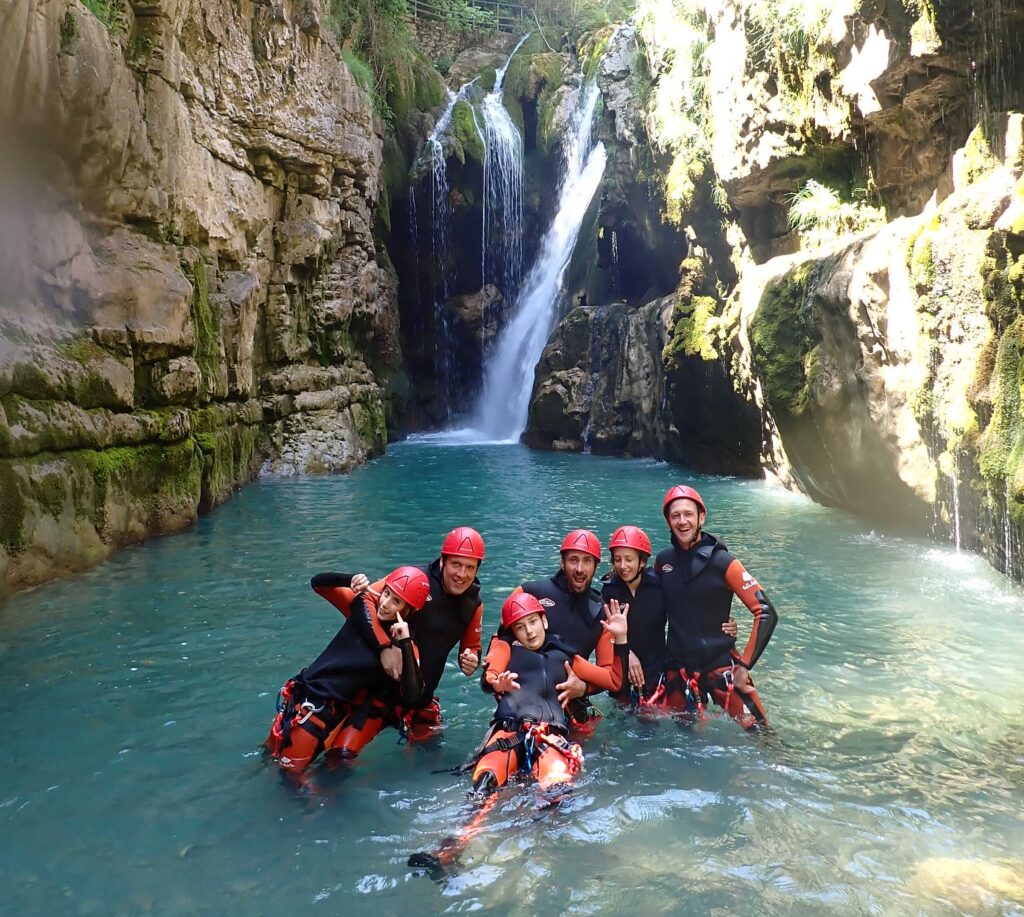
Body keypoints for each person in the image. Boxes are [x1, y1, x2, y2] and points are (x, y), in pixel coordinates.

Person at [265, 566, 432, 772]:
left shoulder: (405, 647)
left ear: (410, 612)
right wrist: (350, 579)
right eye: (386, 594)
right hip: (299, 697)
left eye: (396, 602)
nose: (385, 604)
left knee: (290, 780)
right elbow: (318, 582)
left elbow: (413, 693)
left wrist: (405, 642)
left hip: (317, 714)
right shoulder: (360, 609)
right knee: (266, 760)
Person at [328, 526, 486, 742]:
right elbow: (364, 600)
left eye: (470, 567)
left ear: (477, 569)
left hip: (421, 702)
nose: (461, 574)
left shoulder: (474, 604)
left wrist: (470, 660)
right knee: (340, 757)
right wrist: (383, 647)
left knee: (430, 764)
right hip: (380, 697)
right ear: (442, 561)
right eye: (455, 564)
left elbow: (471, 648)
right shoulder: (414, 578)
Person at [471, 592, 629, 791]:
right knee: (484, 784)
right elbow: (490, 675)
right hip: (507, 733)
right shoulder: (507, 647)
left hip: (548, 738)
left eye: (533, 622)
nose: (529, 631)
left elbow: (615, 682)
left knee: (559, 790)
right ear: (513, 632)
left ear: (544, 621)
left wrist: (621, 639)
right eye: (520, 627)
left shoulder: (564, 656)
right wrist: (497, 684)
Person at [655, 485, 778, 727]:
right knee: (686, 746)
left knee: (763, 739)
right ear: (668, 522)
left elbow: (765, 611)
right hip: (680, 671)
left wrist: (744, 666)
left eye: (688, 514)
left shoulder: (723, 562)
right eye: (675, 515)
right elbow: (647, 602)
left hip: (722, 667)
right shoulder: (663, 562)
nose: (682, 521)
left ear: (701, 517)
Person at [603, 524, 738, 709]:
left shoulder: (659, 585)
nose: (622, 566)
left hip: (657, 671)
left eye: (629, 559)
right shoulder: (609, 590)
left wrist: (722, 622)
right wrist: (627, 653)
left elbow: (687, 611)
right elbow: (601, 633)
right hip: (624, 672)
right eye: (617, 559)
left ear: (642, 561)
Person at [511, 529, 613, 721]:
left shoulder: (601, 612)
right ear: (562, 562)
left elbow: (609, 675)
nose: (580, 568)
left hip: (572, 705)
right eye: (573, 560)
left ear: (595, 566)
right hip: (523, 701)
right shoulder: (529, 592)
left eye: (587, 561)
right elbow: (500, 643)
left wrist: (583, 688)